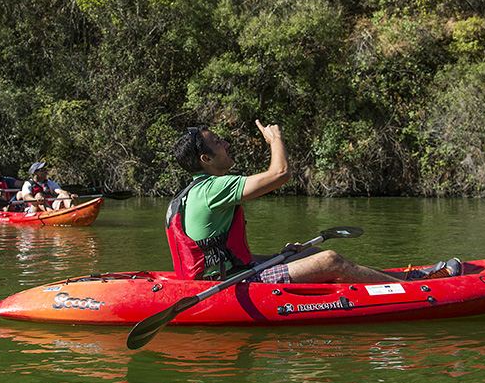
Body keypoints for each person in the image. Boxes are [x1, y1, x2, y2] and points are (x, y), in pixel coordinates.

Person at [166, 121, 462, 283]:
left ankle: (391, 279)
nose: (226, 143)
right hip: (228, 288)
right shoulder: (214, 188)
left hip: (225, 277)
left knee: (308, 254)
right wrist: (275, 140)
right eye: (218, 142)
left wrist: (272, 258)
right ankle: (414, 287)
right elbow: (280, 174)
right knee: (329, 259)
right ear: (206, 160)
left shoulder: (192, 193)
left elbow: (222, 257)